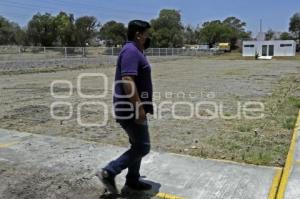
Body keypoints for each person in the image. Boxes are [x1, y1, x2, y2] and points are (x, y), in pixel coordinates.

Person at [96, 20, 153, 194]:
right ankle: (109, 172)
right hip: (130, 108)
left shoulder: (135, 51)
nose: (148, 37)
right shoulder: (130, 51)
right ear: (138, 34)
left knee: (136, 144)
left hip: (132, 107)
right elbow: (128, 80)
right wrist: (138, 108)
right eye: (146, 34)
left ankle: (133, 180)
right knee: (143, 146)